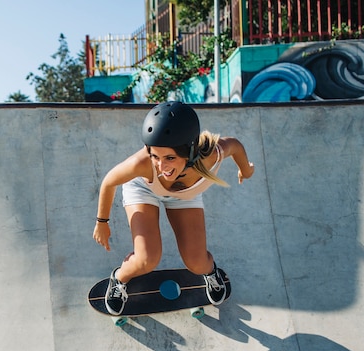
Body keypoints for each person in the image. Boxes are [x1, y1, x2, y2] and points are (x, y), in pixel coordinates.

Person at [93, 101, 255, 316]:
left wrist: (246, 169)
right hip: (144, 189)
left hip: (185, 196)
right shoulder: (141, 164)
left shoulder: (211, 156)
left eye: (170, 158)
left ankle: (210, 273)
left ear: (190, 151)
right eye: (155, 156)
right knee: (146, 259)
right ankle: (120, 278)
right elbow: (108, 182)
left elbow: (234, 145)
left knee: (197, 263)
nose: (161, 167)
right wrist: (102, 222)